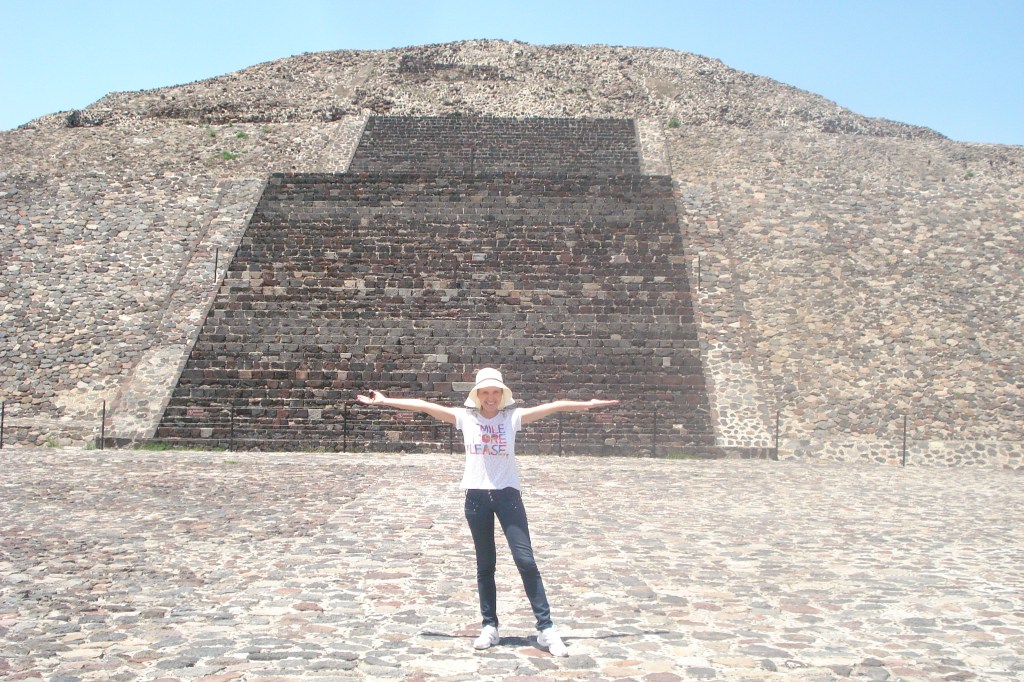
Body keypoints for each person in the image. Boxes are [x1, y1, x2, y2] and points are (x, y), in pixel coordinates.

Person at [356, 367, 618, 657]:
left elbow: (553, 406)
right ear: (478, 395)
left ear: (502, 394)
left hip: (508, 497)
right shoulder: (465, 418)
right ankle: (489, 626)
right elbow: (424, 406)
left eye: (495, 392)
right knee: (485, 565)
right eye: (485, 392)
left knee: (526, 560)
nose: (490, 397)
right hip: (476, 499)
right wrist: (385, 401)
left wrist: (587, 405)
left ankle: (546, 629)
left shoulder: (512, 418)